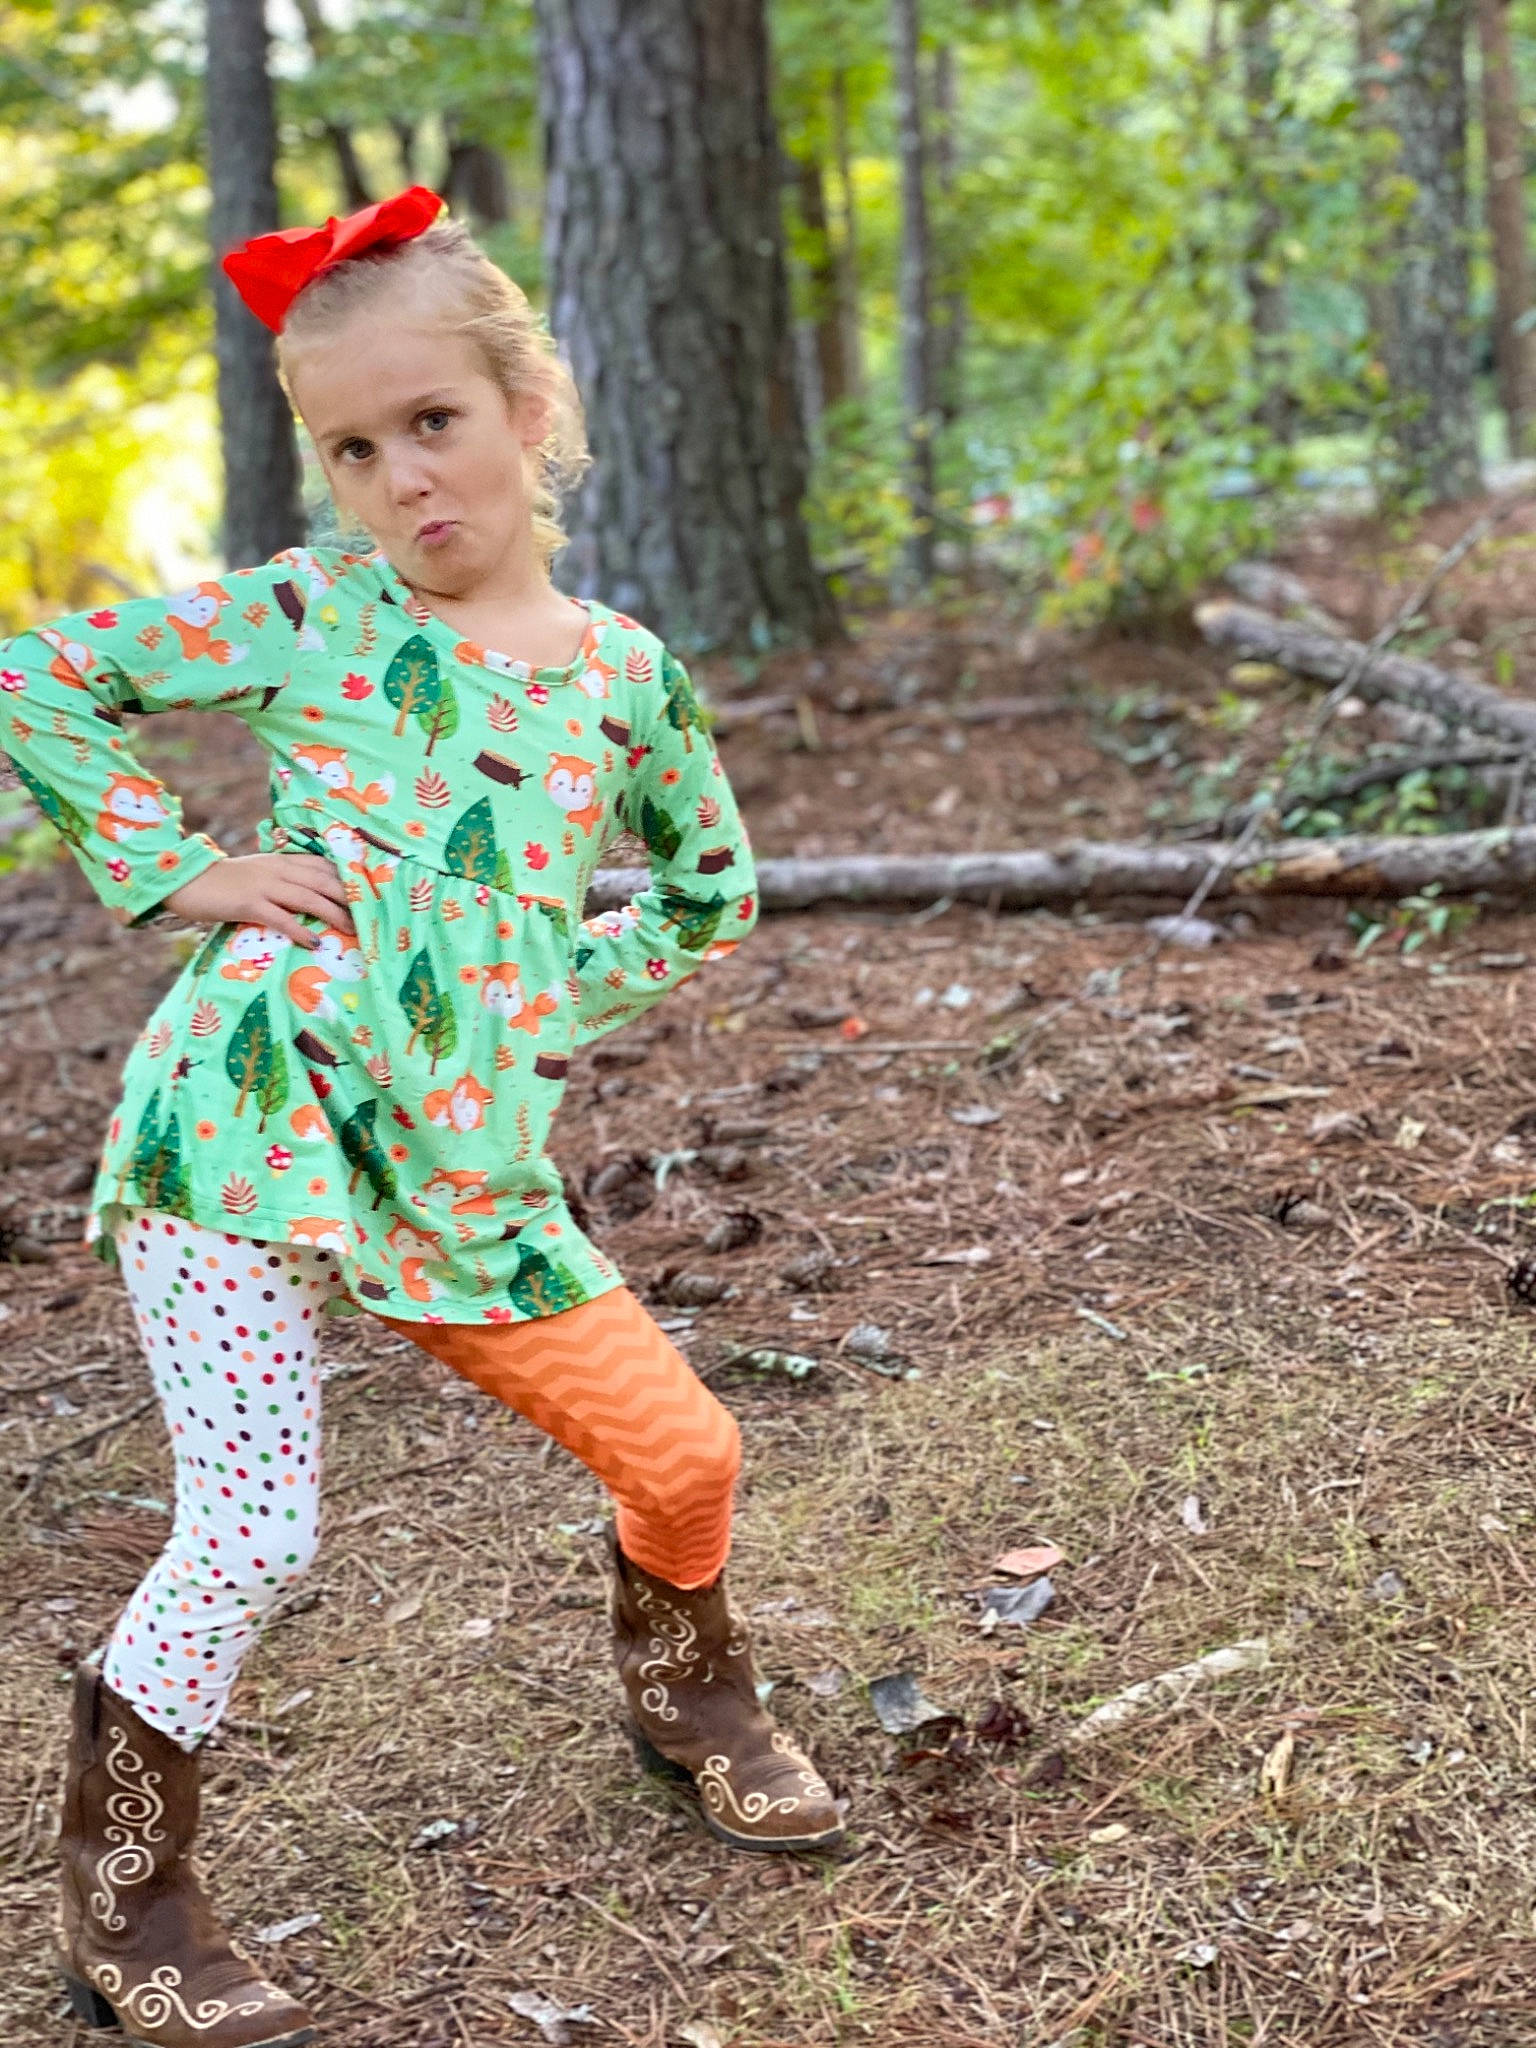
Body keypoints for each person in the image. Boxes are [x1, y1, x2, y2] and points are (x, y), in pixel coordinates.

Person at [3, 186, 842, 2048]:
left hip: (463, 1165)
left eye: (432, 425)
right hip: (252, 1119)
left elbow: (707, 896)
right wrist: (184, 868)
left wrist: (532, 1002)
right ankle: (127, 1900)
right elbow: (41, 672)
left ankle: (687, 1700)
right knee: (256, 1525)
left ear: (531, 411)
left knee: (688, 1458)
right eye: (353, 448)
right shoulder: (318, 617)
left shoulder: (626, 677)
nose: (402, 480)